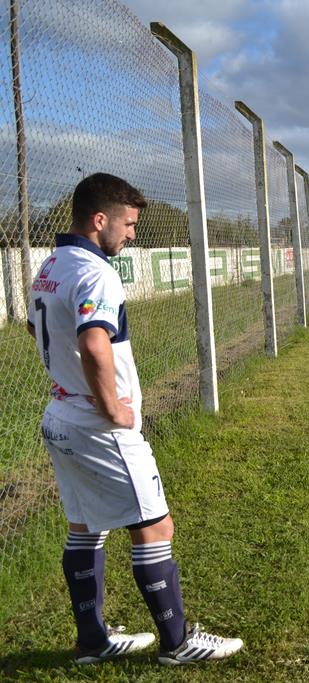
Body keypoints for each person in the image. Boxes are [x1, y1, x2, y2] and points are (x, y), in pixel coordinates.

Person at [27, 173, 243, 666]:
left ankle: (93, 641)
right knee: (155, 527)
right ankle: (177, 643)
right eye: (127, 224)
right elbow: (93, 343)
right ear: (99, 219)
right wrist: (111, 408)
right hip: (97, 425)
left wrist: (68, 377)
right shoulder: (96, 271)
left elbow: (36, 326)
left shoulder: (51, 264)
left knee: (85, 526)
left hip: (61, 415)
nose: (131, 234)